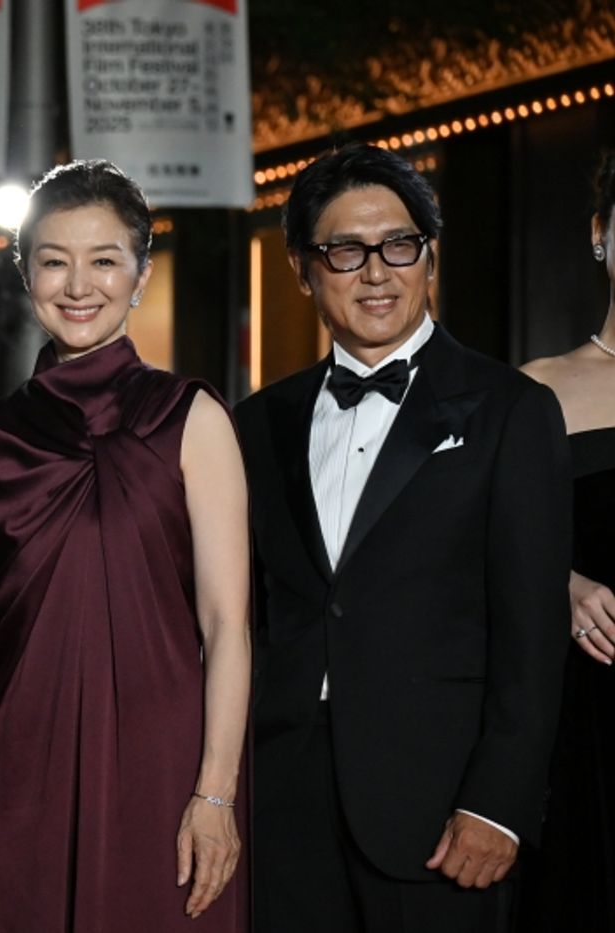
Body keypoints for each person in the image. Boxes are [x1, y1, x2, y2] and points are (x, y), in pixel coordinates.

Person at [235, 142, 570, 932]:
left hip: (442, 815)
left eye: (400, 245)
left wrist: (500, 802)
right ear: (302, 268)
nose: (377, 272)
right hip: (283, 806)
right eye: (346, 251)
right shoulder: (255, 423)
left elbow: (532, 630)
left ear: (429, 256)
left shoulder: (510, 411)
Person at [0, 160, 251, 931]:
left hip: (163, 772)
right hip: (11, 776)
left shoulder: (192, 419)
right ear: (24, 272)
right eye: (54, 260)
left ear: (139, 274)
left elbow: (228, 625)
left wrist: (215, 791)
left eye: (104, 260)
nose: (79, 285)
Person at [516, 151, 615, 932]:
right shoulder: (536, 390)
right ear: (599, 233)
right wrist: (559, 582)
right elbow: (475, 548)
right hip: (584, 716)